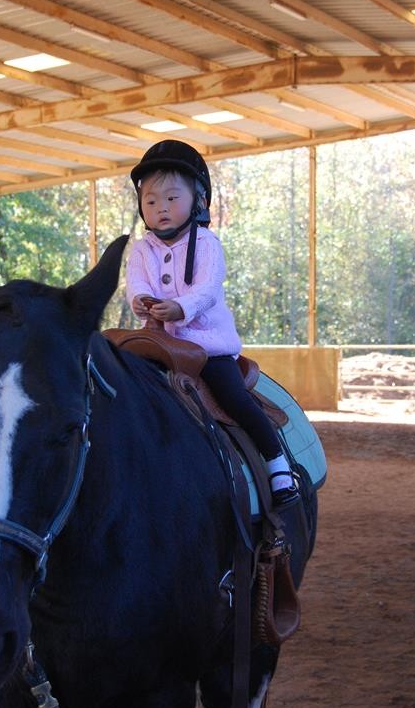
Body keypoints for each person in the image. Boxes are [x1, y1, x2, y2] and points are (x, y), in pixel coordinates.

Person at [126, 139, 299, 507]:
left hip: (206, 347)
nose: (161, 208)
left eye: (172, 198)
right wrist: (139, 301)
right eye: (151, 201)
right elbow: (136, 283)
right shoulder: (142, 249)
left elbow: (206, 289)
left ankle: (276, 464)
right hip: (158, 345)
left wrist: (179, 308)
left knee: (232, 396)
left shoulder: (205, 242)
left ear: (198, 201)